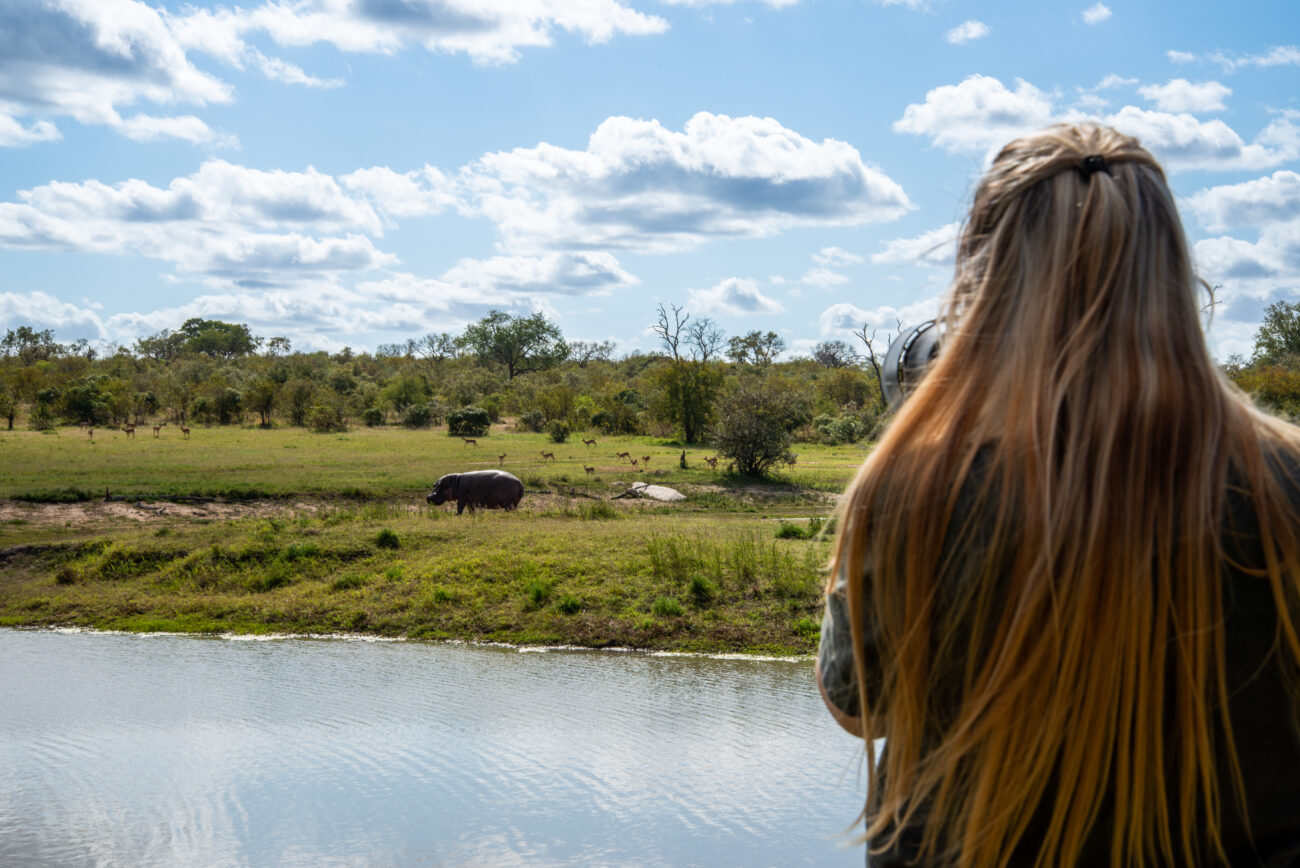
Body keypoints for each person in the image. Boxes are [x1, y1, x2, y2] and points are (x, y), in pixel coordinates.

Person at [817, 122, 1300, 867]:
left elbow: (858, 708)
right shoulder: (1286, 482)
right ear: (1172, 271)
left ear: (979, 281)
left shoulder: (912, 487)